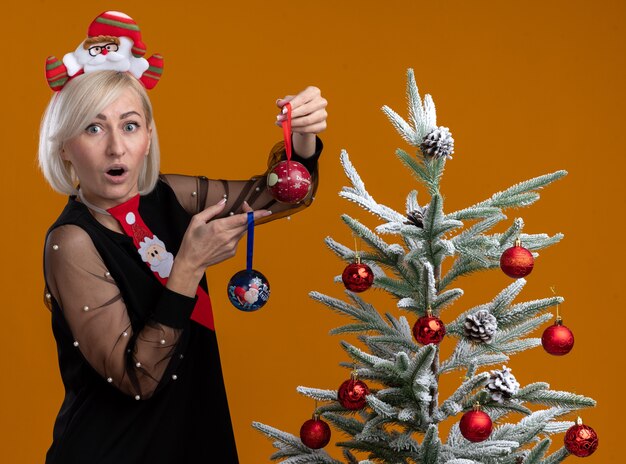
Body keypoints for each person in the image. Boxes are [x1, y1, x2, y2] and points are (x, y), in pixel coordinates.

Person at [38, 12, 327, 464]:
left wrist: (303, 140)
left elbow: (281, 196)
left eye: (129, 125)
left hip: (193, 438)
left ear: (148, 137)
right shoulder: (72, 241)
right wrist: (189, 266)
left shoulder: (168, 196)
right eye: (93, 128)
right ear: (65, 147)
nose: (116, 146)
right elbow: (138, 378)